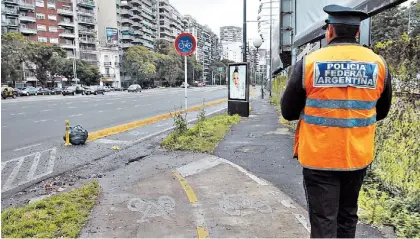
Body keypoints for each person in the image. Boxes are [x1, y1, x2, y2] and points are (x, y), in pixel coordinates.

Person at [281, 4, 392, 238]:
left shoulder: (309, 63)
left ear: (329, 31)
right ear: (357, 33)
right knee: (348, 215)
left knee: (323, 220)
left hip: (319, 159)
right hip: (357, 157)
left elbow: (288, 111)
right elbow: (380, 111)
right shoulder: (378, 64)